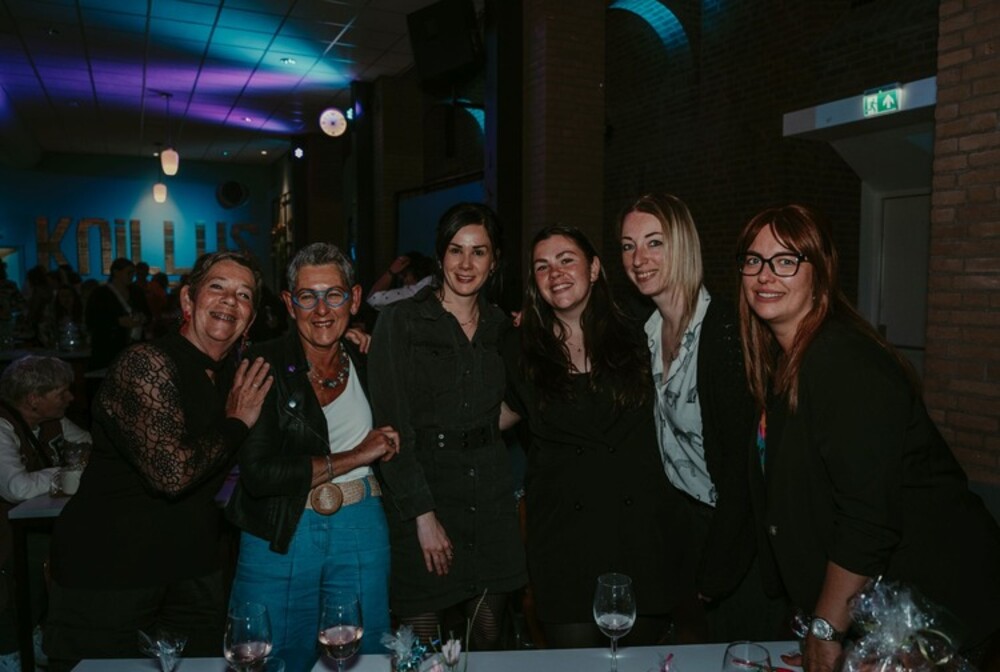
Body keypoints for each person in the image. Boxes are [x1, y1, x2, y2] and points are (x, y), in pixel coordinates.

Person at [736, 204, 1000, 672]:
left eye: (786, 260)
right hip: (879, 614)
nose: (765, 274)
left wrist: (826, 631)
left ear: (820, 273)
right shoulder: (787, 363)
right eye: (754, 259)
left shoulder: (843, 360)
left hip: (936, 610)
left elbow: (867, 518)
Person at [44, 251, 273, 672]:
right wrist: (237, 422)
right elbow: (172, 473)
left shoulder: (233, 374)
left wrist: (352, 344)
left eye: (244, 295)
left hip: (192, 567)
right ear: (188, 300)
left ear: (250, 318)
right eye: (217, 287)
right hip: (112, 571)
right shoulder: (145, 363)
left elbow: (294, 364)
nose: (230, 300)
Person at [500, 225, 698, 647]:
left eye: (566, 260)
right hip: (564, 543)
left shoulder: (642, 332)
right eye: (542, 266)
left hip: (639, 536)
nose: (555, 273)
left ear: (593, 269)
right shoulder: (518, 349)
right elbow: (487, 417)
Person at [619, 193, 787, 642]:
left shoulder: (725, 330)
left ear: (683, 245)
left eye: (654, 242)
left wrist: (717, 570)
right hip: (688, 529)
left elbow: (743, 470)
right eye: (628, 246)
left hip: (739, 539)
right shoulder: (647, 330)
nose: (638, 259)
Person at [226, 242, 399, 672]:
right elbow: (260, 473)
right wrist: (358, 454)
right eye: (308, 296)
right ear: (289, 304)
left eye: (334, 295)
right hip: (280, 529)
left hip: (360, 525)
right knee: (269, 657)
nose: (322, 309)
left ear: (354, 299)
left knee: (365, 657)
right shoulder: (262, 362)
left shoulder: (368, 357)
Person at [368, 203, 526, 649]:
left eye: (479, 252)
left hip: (489, 495)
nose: (466, 263)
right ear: (440, 256)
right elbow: (391, 428)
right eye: (456, 250)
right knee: (420, 644)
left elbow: (515, 404)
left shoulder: (502, 327)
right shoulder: (401, 321)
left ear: (494, 261)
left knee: (487, 635)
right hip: (423, 492)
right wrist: (423, 516)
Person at [0, 356, 92, 672]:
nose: (71, 398)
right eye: (61, 392)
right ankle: (9, 650)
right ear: (33, 399)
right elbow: (16, 487)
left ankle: (38, 633)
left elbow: (92, 448)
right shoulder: (2, 426)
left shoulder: (54, 421)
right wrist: (67, 473)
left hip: (34, 525)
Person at [84, 258, 146, 372]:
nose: (132, 276)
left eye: (133, 273)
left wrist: (142, 318)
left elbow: (148, 313)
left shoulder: (137, 292)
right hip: (108, 348)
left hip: (134, 346)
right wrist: (117, 321)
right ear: (116, 272)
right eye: (129, 273)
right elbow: (92, 319)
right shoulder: (100, 294)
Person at [366, 251, 437, 311]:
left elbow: (373, 299)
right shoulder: (436, 285)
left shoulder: (414, 293)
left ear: (417, 271)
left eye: (404, 275)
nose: (403, 281)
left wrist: (391, 272)